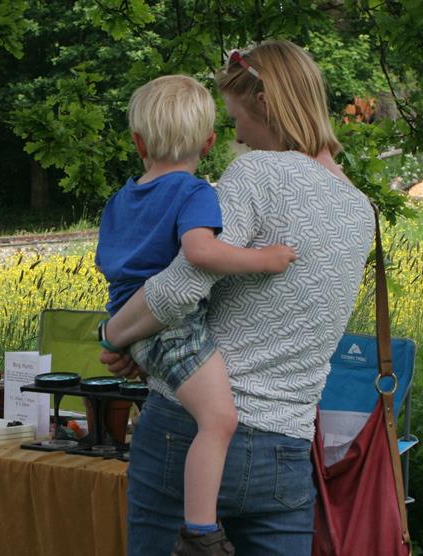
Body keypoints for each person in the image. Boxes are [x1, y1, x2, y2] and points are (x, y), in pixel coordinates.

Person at [99, 40, 374, 556]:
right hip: (288, 450)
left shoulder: (256, 174)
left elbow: (178, 286)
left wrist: (113, 334)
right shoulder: (361, 209)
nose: (237, 136)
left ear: (266, 105)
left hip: (187, 434)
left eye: (236, 119)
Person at [96, 74, 297, 556]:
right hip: (171, 327)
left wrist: (122, 336)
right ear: (209, 142)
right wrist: (264, 260)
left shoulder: (120, 199)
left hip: (129, 317)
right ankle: (201, 533)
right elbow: (201, 254)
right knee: (219, 419)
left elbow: (109, 261)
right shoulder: (194, 193)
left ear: (138, 142)